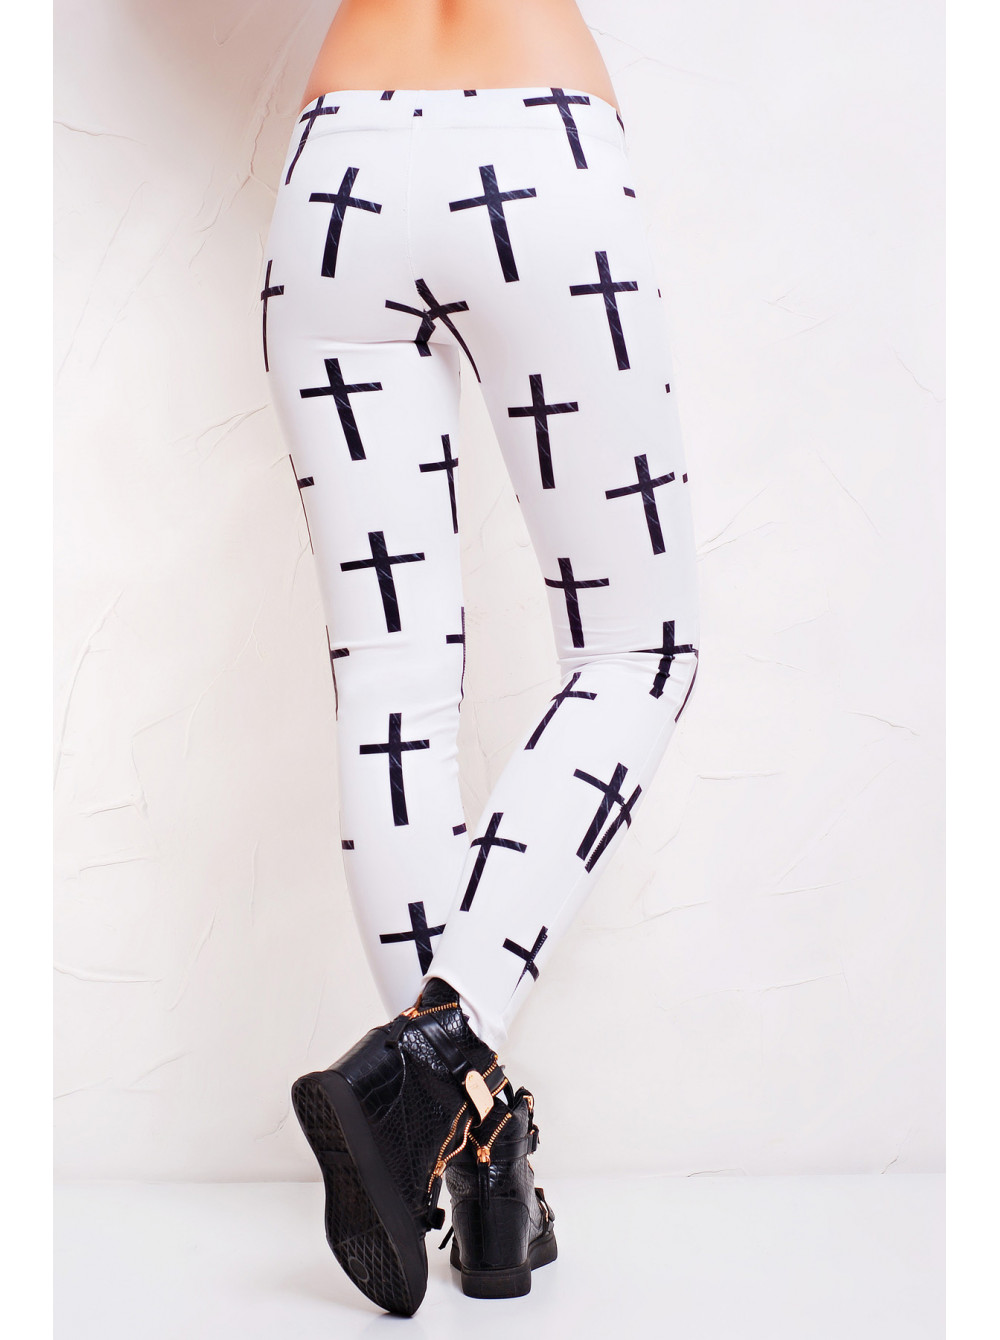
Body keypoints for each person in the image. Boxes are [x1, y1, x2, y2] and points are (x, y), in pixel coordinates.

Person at [260, 0, 700, 1315]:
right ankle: (443, 1054)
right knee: (639, 647)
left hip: (338, 178)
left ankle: (481, 1153)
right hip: (537, 155)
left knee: (391, 680)